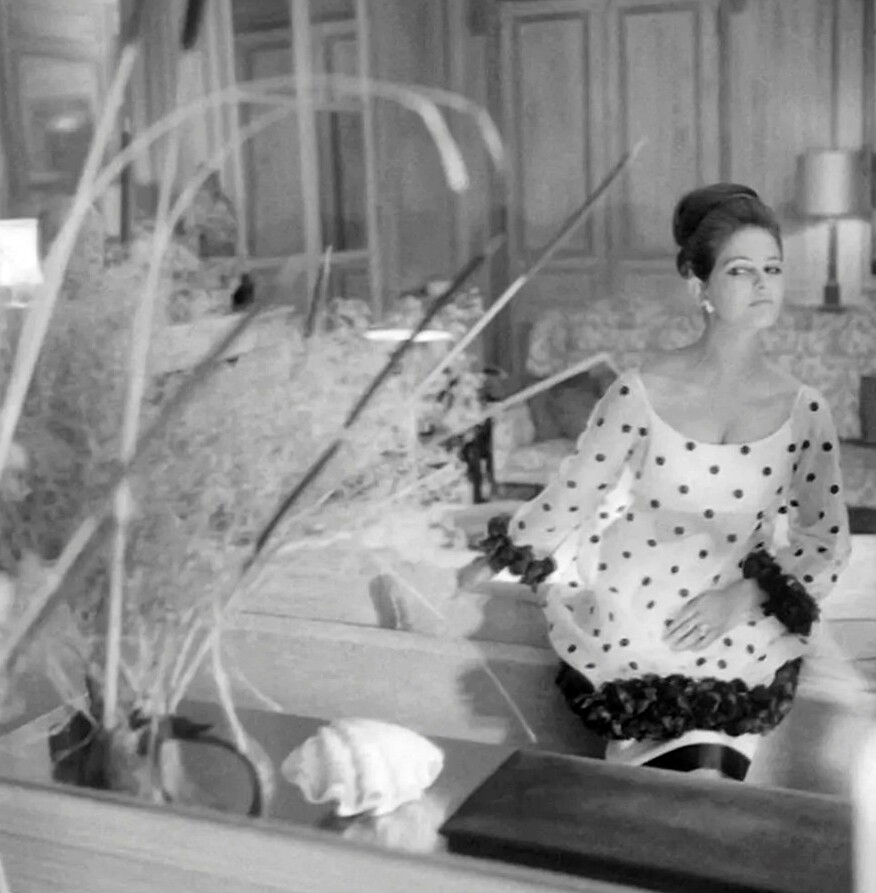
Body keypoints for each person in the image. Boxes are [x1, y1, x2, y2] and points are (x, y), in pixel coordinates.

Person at [478, 183, 852, 780]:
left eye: (773, 269)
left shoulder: (805, 410)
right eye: (740, 270)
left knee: (710, 780)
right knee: (670, 788)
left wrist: (745, 597)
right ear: (700, 288)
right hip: (636, 615)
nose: (762, 284)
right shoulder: (640, 391)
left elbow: (825, 541)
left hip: (736, 619)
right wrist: (502, 554)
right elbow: (575, 493)